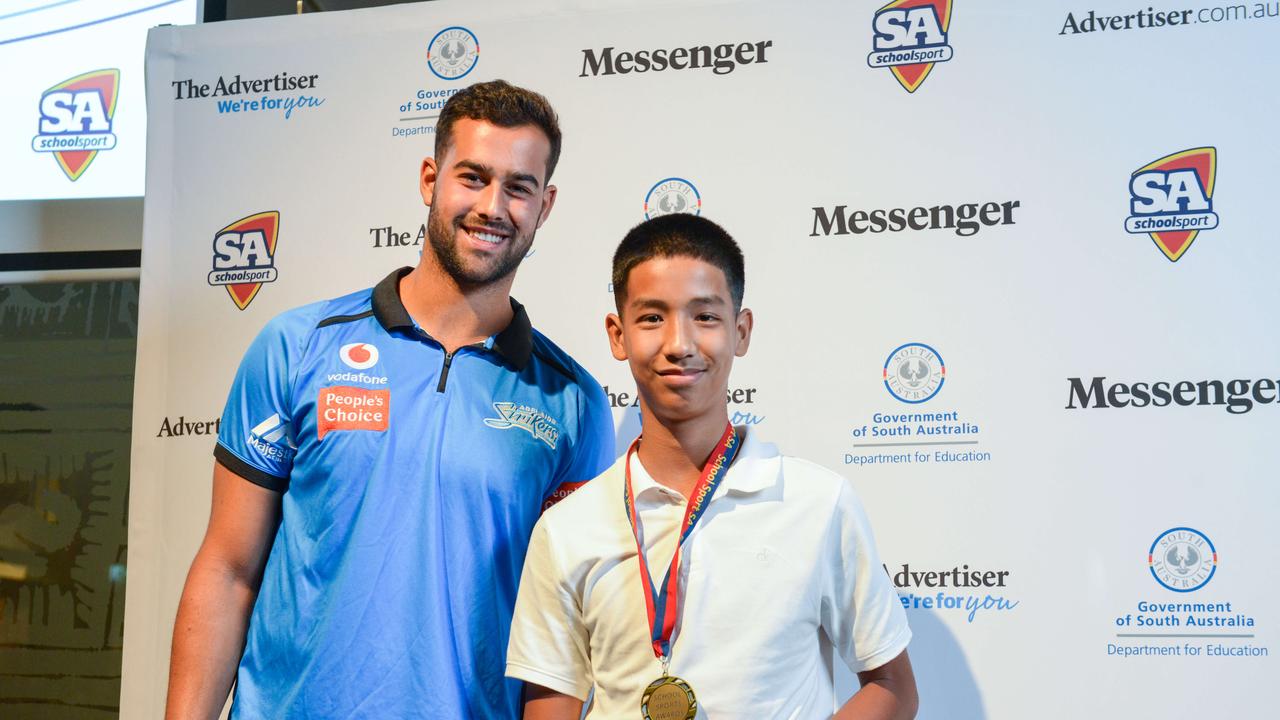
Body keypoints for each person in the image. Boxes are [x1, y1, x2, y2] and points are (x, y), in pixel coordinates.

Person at [165, 80, 615, 719]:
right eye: (472, 177)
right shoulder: (297, 347)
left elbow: (564, 636)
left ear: (545, 205)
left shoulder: (572, 403)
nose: (493, 206)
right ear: (430, 179)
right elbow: (227, 572)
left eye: (519, 187)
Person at [506, 214, 917, 720]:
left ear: (740, 331)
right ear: (617, 335)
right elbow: (551, 705)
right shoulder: (567, 527)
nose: (679, 344)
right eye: (652, 317)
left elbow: (892, 686)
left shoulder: (818, 503)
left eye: (705, 317)